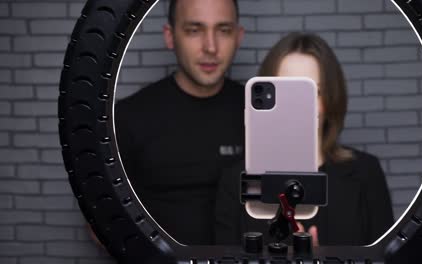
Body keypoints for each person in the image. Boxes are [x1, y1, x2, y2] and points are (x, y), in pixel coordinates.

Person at [214, 32, 394, 246]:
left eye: (312, 92)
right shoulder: (236, 181)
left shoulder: (366, 172)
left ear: (331, 98)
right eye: (288, 92)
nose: (298, 107)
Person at [115, 0, 245, 245]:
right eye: (194, 30)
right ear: (170, 36)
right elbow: (101, 222)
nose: (211, 47)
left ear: (238, 37)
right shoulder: (130, 116)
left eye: (224, 30)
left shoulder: (257, 114)